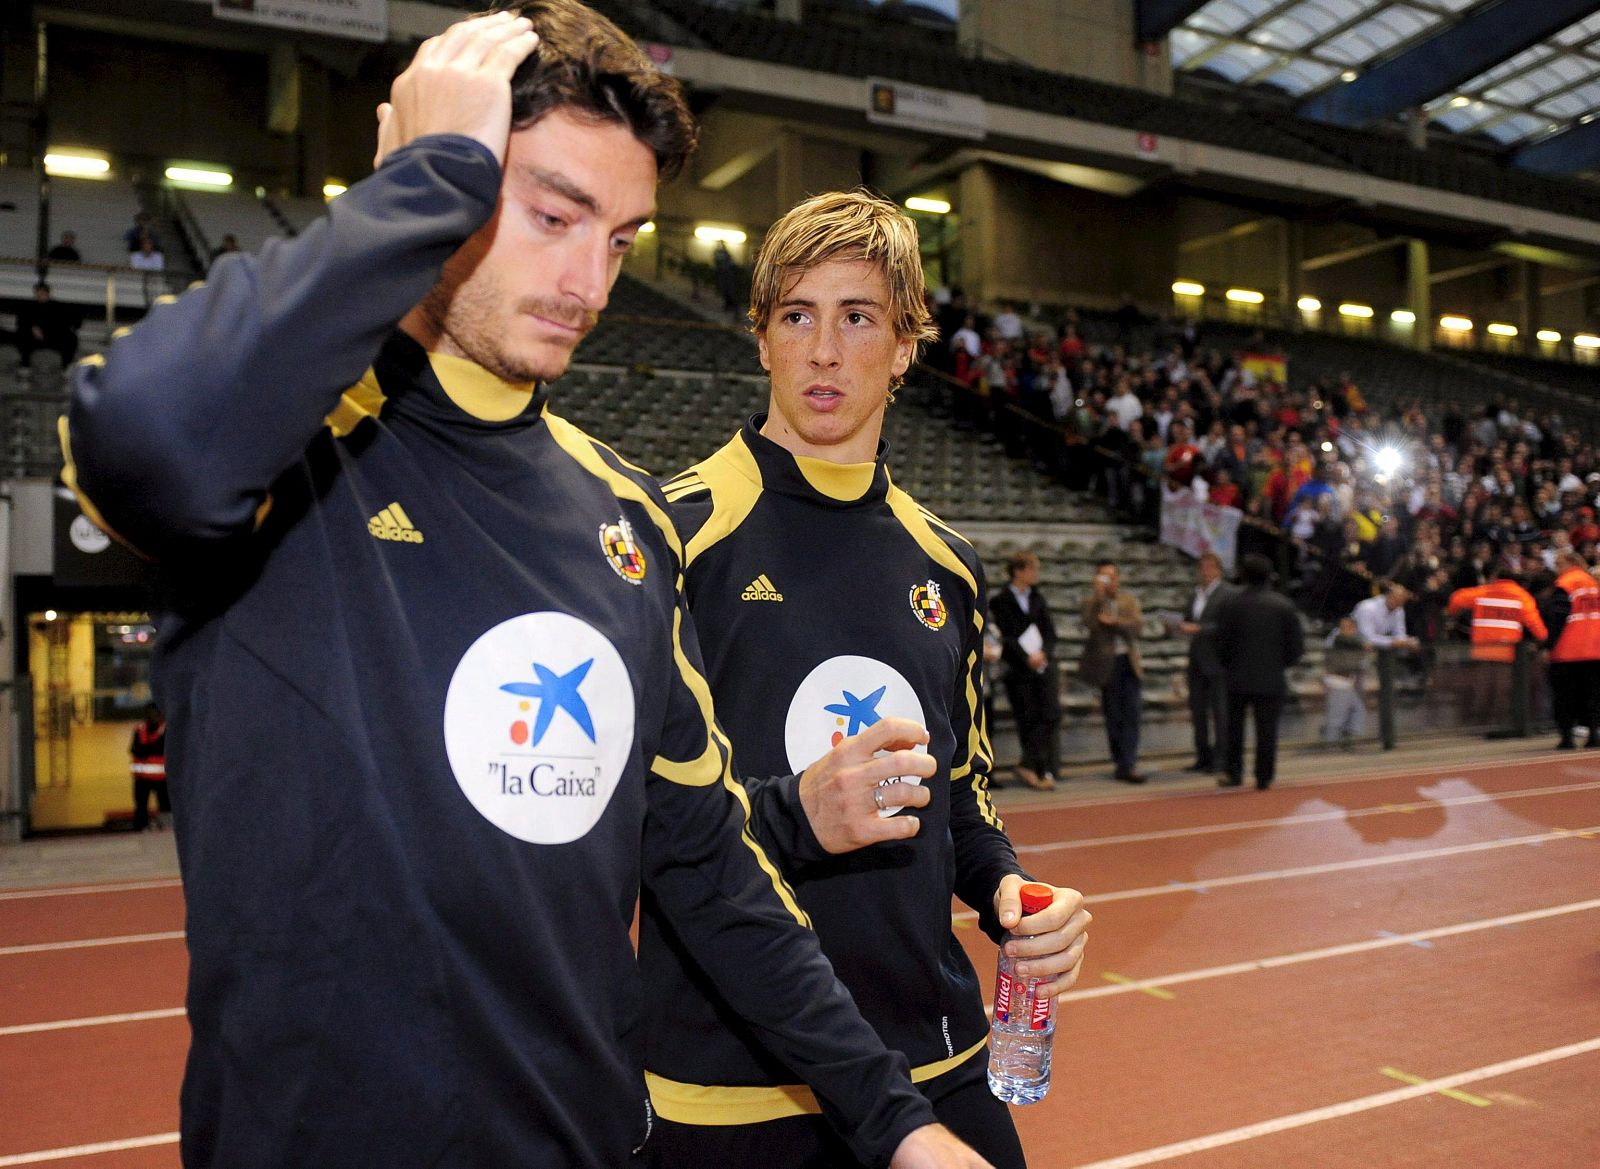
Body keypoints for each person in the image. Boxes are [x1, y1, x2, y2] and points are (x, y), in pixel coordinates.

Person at [62, 8, 985, 1168]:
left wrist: (894, 1120)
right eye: (550, 214)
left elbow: (708, 860)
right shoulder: (280, 452)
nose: (585, 280)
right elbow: (139, 443)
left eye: (619, 236)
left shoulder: (627, 520)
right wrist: (414, 192)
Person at [644, 190, 1089, 1169]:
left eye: (859, 317)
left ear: (905, 345)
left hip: (936, 1055)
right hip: (732, 1081)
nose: (824, 349)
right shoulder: (671, 536)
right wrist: (796, 811)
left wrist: (1010, 889)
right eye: (796, 314)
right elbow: (631, 822)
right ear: (759, 336)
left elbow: (960, 791)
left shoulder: (949, 563)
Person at [1215, 553, 1304, 790]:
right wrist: (1279, 664)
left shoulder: (1230, 603)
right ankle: (1264, 775)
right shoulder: (1283, 605)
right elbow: (1296, 647)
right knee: (1267, 730)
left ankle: (1233, 772)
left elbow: (1220, 642)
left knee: (1233, 728)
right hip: (1271, 676)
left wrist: (1228, 664)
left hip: (1236, 676)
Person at [989, 550, 1063, 791]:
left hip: (1042, 667)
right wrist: (1025, 657)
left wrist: (1044, 654)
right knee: (1027, 718)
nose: (1036, 574)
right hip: (1018, 670)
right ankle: (1034, 768)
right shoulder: (1000, 600)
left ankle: (1034, 765)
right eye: (1032, 569)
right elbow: (1004, 637)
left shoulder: (1038, 598)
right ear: (1018, 571)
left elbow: (1050, 632)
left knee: (1049, 714)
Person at [1446, 564, 1547, 728]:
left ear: (1497, 578)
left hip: (1483, 651)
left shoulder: (1484, 592)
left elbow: (1456, 598)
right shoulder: (1522, 597)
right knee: (1502, 690)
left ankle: (1479, 724)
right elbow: (1537, 627)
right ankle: (1498, 724)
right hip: (1507, 653)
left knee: (1483, 689)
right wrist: (1543, 640)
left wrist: (1451, 613)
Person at [1079, 559, 1145, 783]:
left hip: (1129, 662)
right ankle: (1121, 761)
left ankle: (1129, 763)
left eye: (1112, 577)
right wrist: (1099, 598)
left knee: (1132, 714)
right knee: (1114, 716)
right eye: (1103, 577)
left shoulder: (1128, 601)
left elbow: (1136, 627)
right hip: (1106, 665)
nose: (1109, 582)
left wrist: (1114, 622)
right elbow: (1089, 623)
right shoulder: (1091, 602)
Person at [1178, 551, 1236, 773]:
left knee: (1221, 713)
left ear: (1217, 569)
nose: (1204, 570)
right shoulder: (1195, 594)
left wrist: (1200, 629)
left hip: (1219, 660)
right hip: (1197, 659)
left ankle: (1221, 758)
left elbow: (1227, 625)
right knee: (1198, 711)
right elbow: (1188, 620)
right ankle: (1202, 756)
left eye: (1209, 566)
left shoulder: (1227, 594)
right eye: (1202, 566)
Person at [1543, 552, 1600, 749]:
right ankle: (1594, 734)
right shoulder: (1593, 584)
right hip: (1595, 650)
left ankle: (1567, 737)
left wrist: (1549, 645)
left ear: (1570, 563)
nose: (1556, 568)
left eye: (1559, 563)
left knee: (1565, 696)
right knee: (1592, 695)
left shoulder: (1565, 584)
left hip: (1568, 651)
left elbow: (1558, 618)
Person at [1321, 616, 1368, 748]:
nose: (1345, 630)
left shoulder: (1355, 640)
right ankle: (1330, 747)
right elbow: (1346, 641)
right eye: (1343, 627)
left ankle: (1346, 738)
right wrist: (1362, 645)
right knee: (1336, 719)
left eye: (1349, 627)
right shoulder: (1338, 638)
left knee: (1357, 710)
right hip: (1337, 683)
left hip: (1347, 684)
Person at [14, 282, 80, 370]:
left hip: (54, 337)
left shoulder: (58, 307)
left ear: (48, 293)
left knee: (71, 338)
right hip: (34, 337)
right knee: (22, 336)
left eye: (43, 293)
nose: (41, 296)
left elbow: (70, 323)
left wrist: (55, 331)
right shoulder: (29, 307)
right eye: (39, 293)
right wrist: (32, 328)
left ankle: (66, 366)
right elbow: (21, 321)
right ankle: (25, 365)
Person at [129, 702, 169, 831]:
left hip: (144, 778)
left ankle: (141, 828)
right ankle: (165, 829)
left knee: (144, 807)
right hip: (158, 778)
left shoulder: (140, 730)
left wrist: (146, 750)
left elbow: (136, 750)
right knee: (163, 807)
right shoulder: (164, 731)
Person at [1352, 583, 1419, 654]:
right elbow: (1367, 637)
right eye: (1396, 600)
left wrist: (1408, 642)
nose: (1398, 604)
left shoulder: (1399, 610)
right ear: (1388, 595)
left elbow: (1399, 634)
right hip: (1352, 642)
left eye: (1401, 602)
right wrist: (1393, 642)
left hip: (1375, 647)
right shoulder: (1367, 608)